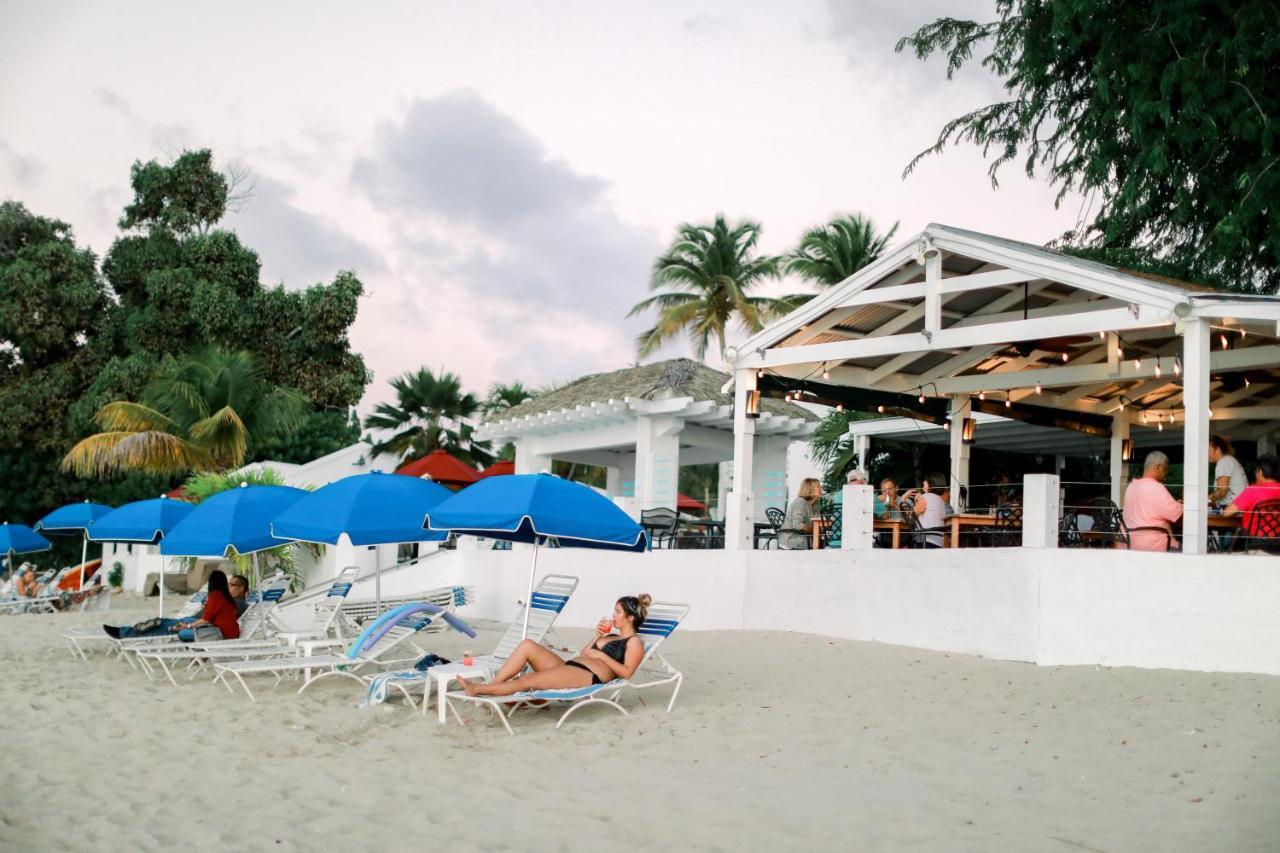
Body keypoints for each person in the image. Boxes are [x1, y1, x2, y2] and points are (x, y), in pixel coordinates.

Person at [458, 595, 652, 698]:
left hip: (588, 676)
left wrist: (601, 657)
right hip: (570, 666)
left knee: (528, 680)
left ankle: (479, 690)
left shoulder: (634, 642)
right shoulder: (609, 635)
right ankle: (494, 685)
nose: (613, 615)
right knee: (528, 645)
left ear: (630, 617)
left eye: (618, 612)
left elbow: (627, 673)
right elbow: (585, 653)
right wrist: (598, 636)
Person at [104, 569, 243, 641]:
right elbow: (212, 619)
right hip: (214, 629)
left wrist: (187, 626)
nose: (230, 586)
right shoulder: (227, 599)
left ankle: (126, 632)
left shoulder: (217, 596)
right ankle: (130, 630)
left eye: (234, 585)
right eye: (229, 583)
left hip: (215, 633)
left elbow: (206, 620)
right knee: (167, 622)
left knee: (169, 627)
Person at [1122, 451, 1183, 552]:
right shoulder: (1156, 488)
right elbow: (1176, 514)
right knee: (1191, 552)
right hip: (1153, 545)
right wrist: (1180, 504)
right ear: (1159, 467)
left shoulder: (1131, 487)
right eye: (1165, 469)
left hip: (1130, 543)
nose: (1166, 474)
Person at [1221, 454, 1280, 539]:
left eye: (1256, 472)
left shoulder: (1252, 490)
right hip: (1277, 544)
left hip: (1254, 542)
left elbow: (1227, 513)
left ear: (1260, 472)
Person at [903, 473, 948, 547]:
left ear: (932, 483)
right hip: (937, 542)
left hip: (926, 542)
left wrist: (904, 499)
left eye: (926, 481)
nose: (923, 482)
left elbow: (909, 517)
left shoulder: (926, 497)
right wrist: (918, 502)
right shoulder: (940, 500)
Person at [779, 478, 823, 549]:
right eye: (818, 487)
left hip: (805, 537)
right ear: (809, 489)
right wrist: (815, 530)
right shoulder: (800, 502)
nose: (821, 488)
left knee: (823, 543)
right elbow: (798, 525)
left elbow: (817, 523)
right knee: (822, 544)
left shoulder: (815, 505)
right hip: (792, 538)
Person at [1208, 435, 1248, 509]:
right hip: (1240, 506)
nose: (1206, 454)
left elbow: (1222, 491)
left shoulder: (1223, 462)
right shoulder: (1229, 460)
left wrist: (1204, 500)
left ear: (1217, 449)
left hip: (1233, 509)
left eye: (1208, 450)